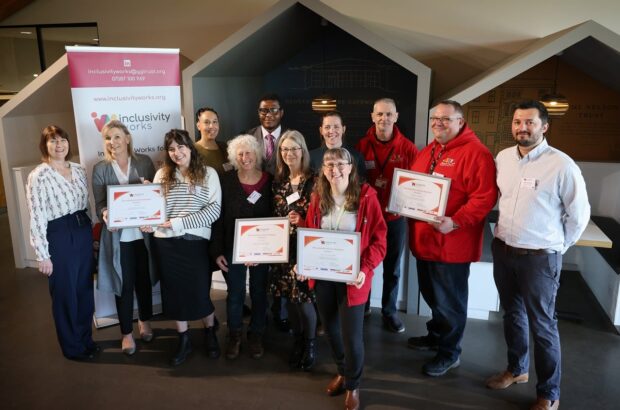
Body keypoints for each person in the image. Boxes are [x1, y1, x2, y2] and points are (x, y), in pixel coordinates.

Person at [487, 100, 590, 410]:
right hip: (505, 250)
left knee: (543, 326)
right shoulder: (503, 158)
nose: (522, 127)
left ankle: (549, 393)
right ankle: (517, 370)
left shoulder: (562, 165)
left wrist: (556, 247)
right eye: (518, 122)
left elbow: (579, 215)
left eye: (530, 122)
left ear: (544, 127)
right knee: (512, 315)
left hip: (540, 258)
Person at [407, 100, 497, 377]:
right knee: (432, 295)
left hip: (452, 246)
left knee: (450, 302)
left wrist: (456, 221)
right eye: (435, 118)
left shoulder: (477, 154)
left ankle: (450, 353)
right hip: (425, 243)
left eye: (446, 119)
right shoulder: (427, 151)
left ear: (460, 121)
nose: (438, 123)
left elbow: (485, 198)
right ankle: (436, 336)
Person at [298, 147, 386, 410]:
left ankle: (353, 384)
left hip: (353, 280)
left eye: (340, 164)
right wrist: (305, 264)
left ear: (350, 167)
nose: (334, 170)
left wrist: (365, 269)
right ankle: (342, 371)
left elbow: (380, 241)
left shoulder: (367, 198)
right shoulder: (317, 197)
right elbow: (311, 234)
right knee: (331, 329)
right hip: (323, 278)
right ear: (323, 170)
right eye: (328, 165)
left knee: (351, 335)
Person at [151, 129, 222, 366]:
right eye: (171, 149)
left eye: (181, 147)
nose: (177, 153)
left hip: (195, 241)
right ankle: (184, 338)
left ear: (190, 147)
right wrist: (149, 221)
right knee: (174, 293)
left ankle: (210, 331)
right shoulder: (162, 174)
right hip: (166, 242)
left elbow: (214, 210)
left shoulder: (208, 173)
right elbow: (154, 208)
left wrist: (180, 223)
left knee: (199, 290)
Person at [26, 125, 98, 360]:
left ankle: (86, 339)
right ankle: (72, 347)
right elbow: (36, 215)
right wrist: (42, 254)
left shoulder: (78, 169)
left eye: (62, 140)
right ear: (44, 145)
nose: (59, 145)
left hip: (82, 229)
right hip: (58, 233)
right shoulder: (39, 175)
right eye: (53, 141)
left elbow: (87, 203)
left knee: (84, 289)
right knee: (65, 292)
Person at [92, 120, 157, 356]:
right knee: (124, 284)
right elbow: (99, 205)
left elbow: (156, 196)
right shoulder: (100, 168)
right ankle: (127, 333)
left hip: (144, 235)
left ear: (127, 138)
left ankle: (145, 322)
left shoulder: (144, 162)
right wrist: (105, 213)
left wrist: (152, 189)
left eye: (117, 137)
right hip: (119, 238)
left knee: (144, 280)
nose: (112, 142)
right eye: (108, 138)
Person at [355, 97, 418, 332]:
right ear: (372, 116)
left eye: (389, 114)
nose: (384, 119)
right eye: (379, 114)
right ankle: (364, 306)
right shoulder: (361, 146)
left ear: (396, 117)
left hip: (395, 219)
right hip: (368, 218)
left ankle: (389, 311)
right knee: (365, 263)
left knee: (392, 267)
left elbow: (417, 185)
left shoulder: (408, 148)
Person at [210, 134, 273, 360]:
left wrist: (263, 251)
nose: (245, 157)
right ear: (234, 157)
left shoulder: (270, 180)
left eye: (249, 153)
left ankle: (256, 334)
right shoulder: (226, 181)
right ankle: (234, 334)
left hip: (263, 251)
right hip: (232, 249)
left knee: (259, 293)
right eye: (241, 154)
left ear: (257, 155)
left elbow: (275, 218)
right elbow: (217, 218)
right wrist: (217, 251)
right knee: (235, 294)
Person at [270, 130, 317, 370]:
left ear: (303, 151)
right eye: (284, 149)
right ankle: (297, 341)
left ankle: (309, 344)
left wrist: (304, 220)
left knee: (304, 299)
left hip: (305, 247)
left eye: (294, 148)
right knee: (289, 297)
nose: (289, 153)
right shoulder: (278, 182)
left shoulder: (316, 180)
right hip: (282, 248)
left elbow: (322, 216)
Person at [247, 93, 289, 330]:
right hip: (256, 210)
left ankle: (281, 313)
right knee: (259, 266)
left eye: (273, 110)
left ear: (281, 113)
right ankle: (259, 312)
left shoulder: (292, 137)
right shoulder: (248, 137)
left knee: (281, 263)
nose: (268, 115)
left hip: (283, 208)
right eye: (264, 110)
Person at [309, 111, 366, 181]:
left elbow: (361, 185)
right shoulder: (311, 157)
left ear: (343, 129)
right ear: (321, 130)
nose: (331, 131)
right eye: (327, 127)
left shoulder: (356, 157)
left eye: (336, 127)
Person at [194, 107, 229, 174]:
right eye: (206, 122)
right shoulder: (193, 151)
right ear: (198, 126)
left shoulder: (225, 147)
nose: (211, 126)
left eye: (215, 122)